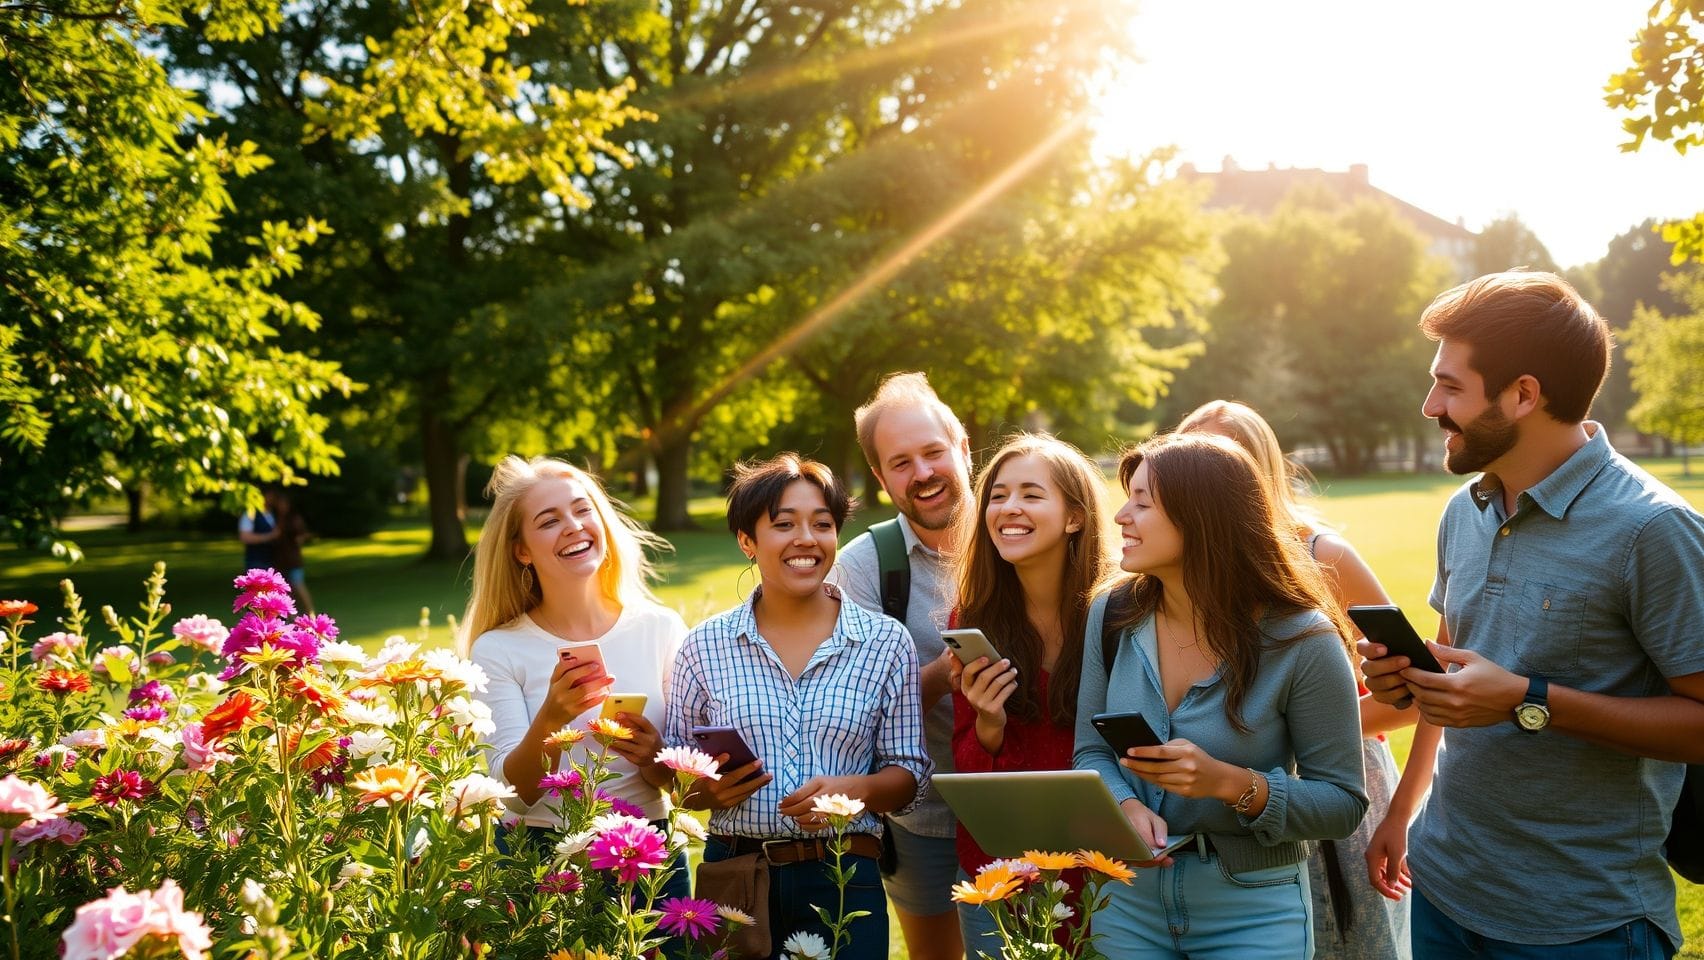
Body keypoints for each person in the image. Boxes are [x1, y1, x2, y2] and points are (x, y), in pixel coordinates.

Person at [1360, 271, 1704, 960]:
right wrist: (1410, 680)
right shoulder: (1465, 510)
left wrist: (1527, 700)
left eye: (1451, 386)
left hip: (1586, 923)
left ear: (1524, 394)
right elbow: (1455, 667)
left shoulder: (1654, 530)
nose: (1430, 405)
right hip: (1444, 890)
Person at [1075, 432, 1368, 959]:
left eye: (1143, 502)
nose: (1121, 515)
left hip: (1252, 908)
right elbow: (1092, 751)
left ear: (1202, 519)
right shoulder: (1112, 614)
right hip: (1125, 899)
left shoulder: (1304, 641)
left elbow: (1343, 804)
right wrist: (1121, 805)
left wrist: (1228, 783)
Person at [666, 454, 931, 959]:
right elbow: (679, 782)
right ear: (748, 541)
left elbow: (909, 775)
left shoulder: (884, 642)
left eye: (822, 524)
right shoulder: (703, 647)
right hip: (736, 877)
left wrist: (852, 792)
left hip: (844, 875)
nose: (806, 538)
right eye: (783, 524)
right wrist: (708, 791)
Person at [1177, 400, 1411, 960]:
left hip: (1333, 788)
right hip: (1231, 799)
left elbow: (1414, 697)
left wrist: (1308, 732)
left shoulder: (1322, 553)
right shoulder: (1178, 572)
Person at [459, 456, 690, 901]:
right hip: (541, 856)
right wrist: (551, 718)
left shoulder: (660, 628)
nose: (573, 525)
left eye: (582, 510)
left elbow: (684, 782)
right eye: (549, 521)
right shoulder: (498, 649)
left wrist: (654, 755)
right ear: (521, 550)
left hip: (647, 850)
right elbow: (511, 795)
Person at [945, 434, 1114, 957]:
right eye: (997, 495)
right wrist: (988, 722)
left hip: (1105, 867)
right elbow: (969, 769)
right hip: (1002, 871)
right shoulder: (972, 620)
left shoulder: (1122, 613)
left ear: (1075, 517)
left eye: (1030, 494)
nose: (1008, 508)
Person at [829, 371, 973, 960]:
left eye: (934, 452)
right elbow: (857, 706)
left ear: (963, 449)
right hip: (925, 813)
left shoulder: (1022, 529)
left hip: (1031, 797)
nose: (923, 474)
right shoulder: (864, 567)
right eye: (901, 463)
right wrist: (945, 674)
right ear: (883, 479)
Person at [271, 490, 315, 617]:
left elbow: (302, 535)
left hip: (293, 559)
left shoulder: (294, 518)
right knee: (285, 588)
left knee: (298, 585)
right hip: (280, 559)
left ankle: (310, 611)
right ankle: (289, 614)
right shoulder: (275, 519)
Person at [237, 487, 280, 572]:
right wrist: (270, 536)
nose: (273, 498)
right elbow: (245, 537)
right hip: (257, 562)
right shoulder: (250, 513)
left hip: (275, 560)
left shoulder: (275, 513)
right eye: (270, 495)